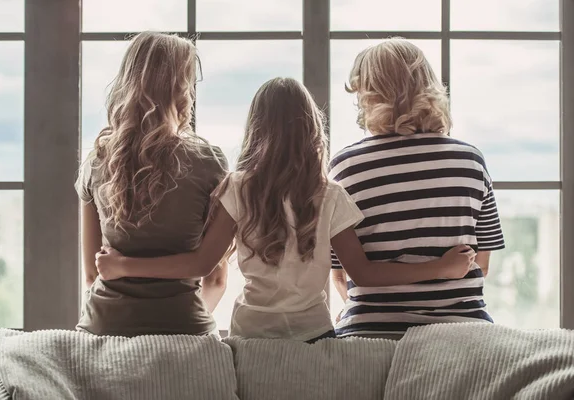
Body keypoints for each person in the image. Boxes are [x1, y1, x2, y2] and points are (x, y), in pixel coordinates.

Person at [93, 77, 476, 343]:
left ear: (256, 128)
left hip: (250, 335)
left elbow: (201, 264)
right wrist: (443, 267)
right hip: (315, 333)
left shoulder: (238, 187)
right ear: (311, 128)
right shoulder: (329, 194)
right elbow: (364, 275)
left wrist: (123, 265)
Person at [329, 38, 505, 339]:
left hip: (371, 333)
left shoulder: (344, 168)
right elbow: (481, 264)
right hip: (462, 331)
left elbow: (340, 274)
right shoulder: (471, 161)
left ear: (368, 96)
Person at [76, 31, 228, 337]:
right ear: (181, 89)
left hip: (105, 328)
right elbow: (214, 278)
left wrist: (122, 267)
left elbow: (93, 273)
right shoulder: (209, 163)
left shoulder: (97, 161)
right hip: (184, 327)